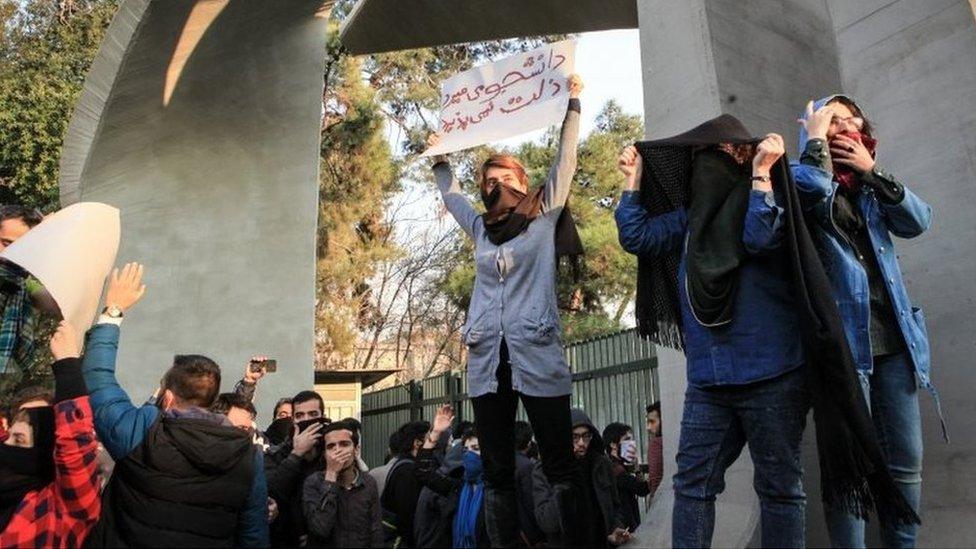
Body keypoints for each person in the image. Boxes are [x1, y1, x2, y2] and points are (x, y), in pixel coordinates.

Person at [614, 118, 812, 548]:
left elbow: (759, 238)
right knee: (692, 485)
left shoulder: (767, 197)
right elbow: (637, 235)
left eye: (721, 153)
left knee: (780, 489)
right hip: (708, 381)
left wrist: (761, 173)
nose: (709, 163)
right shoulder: (689, 221)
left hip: (772, 375)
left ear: (741, 155)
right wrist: (632, 183)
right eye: (702, 156)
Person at [425, 73, 585, 547]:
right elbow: (450, 195)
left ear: (521, 181)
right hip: (487, 359)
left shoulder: (544, 213)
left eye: (503, 179)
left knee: (558, 462)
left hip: (535, 350)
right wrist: (439, 158)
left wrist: (573, 102)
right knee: (496, 469)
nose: (495, 187)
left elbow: (566, 160)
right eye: (487, 182)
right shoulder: (478, 228)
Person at [793, 96, 935, 548]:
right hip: (844, 349)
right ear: (817, 128)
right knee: (849, 474)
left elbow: (918, 221)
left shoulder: (872, 184)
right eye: (835, 119)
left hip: (896, 342)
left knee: (906, 465)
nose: (847, 125)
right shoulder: (803, 176)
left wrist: (872, 172)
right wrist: (814, 143)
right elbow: (810, 192)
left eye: (853, 119)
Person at [81, 263, 269, 547]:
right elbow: (253, 534)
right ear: (213, 399)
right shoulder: (248, 456)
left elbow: (97, 380)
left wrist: (113, 311)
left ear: (167, 398)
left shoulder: (144, 431)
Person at [0, 321, 101, 547]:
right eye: (9, 437)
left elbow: (75, 446)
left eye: (19, 440)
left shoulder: (62, 511)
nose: (6, 445)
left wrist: (67, 364)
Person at [532, 408, 629, 548]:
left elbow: (615, 507)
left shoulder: (601, 464)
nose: (582, 443)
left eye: (586, 436)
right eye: (574, 437)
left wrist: (616, 529)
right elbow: (547, 523)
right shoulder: (544, 470)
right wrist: (564, 478)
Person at [413, 405, 488, 548]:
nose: (470, 454)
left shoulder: (495, 490)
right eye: (466, 450)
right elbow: (422, 472)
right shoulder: (457, 487)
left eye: (476, 449)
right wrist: (435, 433)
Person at [302, 420, 384, 548]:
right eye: (331, 446)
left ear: (356, 450)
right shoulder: (313, 483)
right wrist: (331, 476)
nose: (338, 451)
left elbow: (375, 531)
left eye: (344, 444)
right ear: (324, 454)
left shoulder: (368, 483)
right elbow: (320, 528)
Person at [264, 390, 327, 547]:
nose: (306, 420)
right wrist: (296, 454)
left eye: (313, 414)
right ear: (293, 421)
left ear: (322, 416)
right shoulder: (278, 454)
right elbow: (272, 492)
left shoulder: (331, 452)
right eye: (300, 416)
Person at [380, 420, 430, 547]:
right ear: (417, 443)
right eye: (430, 440)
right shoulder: (407, 472)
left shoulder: (403, 465)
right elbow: (407, 519)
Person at [602, 422, 650, 533]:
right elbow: (642, 489)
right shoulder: (616, 470)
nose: (631, 444)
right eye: (627, 440)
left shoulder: (615, 465)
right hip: (624, 528)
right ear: (613, 444)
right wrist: (637, 466)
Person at [513, 420, 545, 547]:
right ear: (528, 443)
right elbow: (531, 503)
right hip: (526, 534)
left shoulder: (503, 462)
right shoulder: (526, 466)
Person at [645, 402, 663, 498]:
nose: (648, 427)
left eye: (652, 422)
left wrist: (653, 498)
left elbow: (655, 478)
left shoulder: (656, 443)